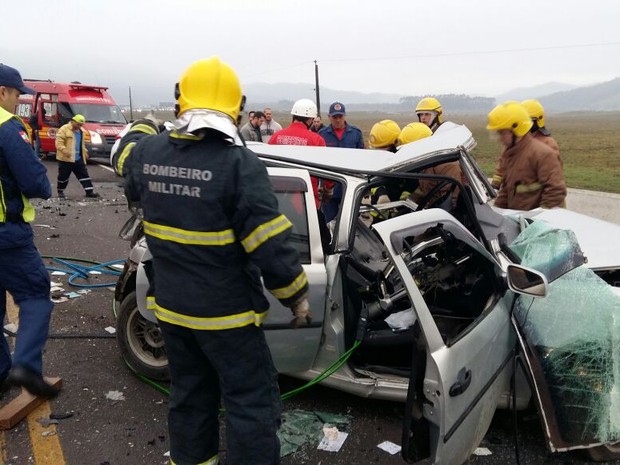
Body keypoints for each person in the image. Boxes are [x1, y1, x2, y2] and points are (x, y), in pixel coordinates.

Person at [121, 57, 311, 465]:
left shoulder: (149, 152)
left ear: (180, 101)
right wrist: (296, 296)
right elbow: (270, 244)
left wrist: (143, 127)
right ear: (237, 107)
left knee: (190, 396)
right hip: (227, 317)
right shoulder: (239, 165)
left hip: (171, 309)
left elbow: (127, 172)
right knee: (251, 404)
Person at [0, 64, 59, 399]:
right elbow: (35, 181)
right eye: (16, 93)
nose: (18, 100)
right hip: (7, 235)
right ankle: (25, 366)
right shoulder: (8, 128)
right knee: (35, 296)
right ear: (1, 91)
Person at [268, 98, 333, 251]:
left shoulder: (277, 137)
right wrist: (328, 189)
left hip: (277, 199)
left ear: (293, 116)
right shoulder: (316, 140)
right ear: (310, 119)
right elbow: (328, 171)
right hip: (306, 201)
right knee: (316, 243)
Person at [486, 101, 566, 210]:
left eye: (502, 133)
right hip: (519, 219)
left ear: (516, 129)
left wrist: (537, 222)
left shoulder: (543, 152)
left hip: (537, 223)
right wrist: (497, 213)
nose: (500, 138)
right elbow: (507, 190)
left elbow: (555, 191)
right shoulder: (511, 153)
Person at [491, 99, 561, 189]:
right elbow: (503, 165)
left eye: (529, 120)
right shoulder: (515, 140)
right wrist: (495, 184)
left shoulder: (548, 144)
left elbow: (552, 177)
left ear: (538, 120)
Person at [398, 122, 462, 208]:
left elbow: (452, 201)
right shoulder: (426, 161)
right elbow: (425, 189)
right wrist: (409, 200)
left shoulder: (447, 165)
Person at [318, 102, 364, 222]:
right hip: (328, 186)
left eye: (340, 116)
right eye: (334, 117)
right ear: (329, 117)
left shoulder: (355, 133)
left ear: (344, 116)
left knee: (350, 222)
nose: (338, 120)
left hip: (350, 185)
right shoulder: (322, 135)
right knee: (329, 222)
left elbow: (363, 158)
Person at [55, 114, 100, 198]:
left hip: (78, 158)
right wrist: (64, 150)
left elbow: (81, 144)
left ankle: (89, 192)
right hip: (66, 159)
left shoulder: (81, 131)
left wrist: (85, 152)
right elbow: (59, 143)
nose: (79, 126)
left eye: (81, 125)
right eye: (78, 124)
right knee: (63, 177)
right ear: (73, 121)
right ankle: (60, 192)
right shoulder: (64, 129)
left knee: (84, 175)